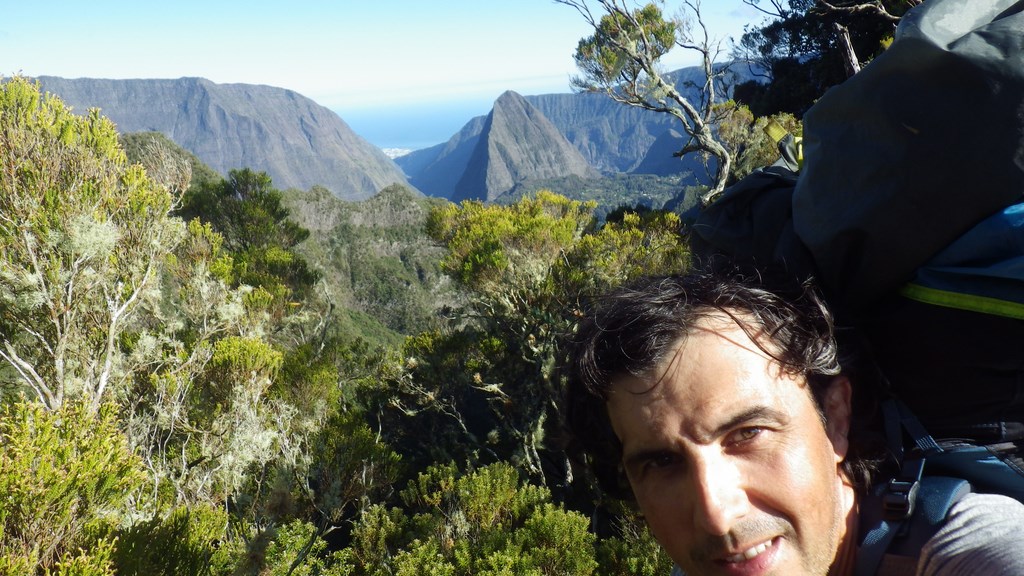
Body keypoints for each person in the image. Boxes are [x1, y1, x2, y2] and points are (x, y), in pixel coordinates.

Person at [564, 272, 1024, 576]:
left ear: (835, 419)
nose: (716, 516)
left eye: (748, 434)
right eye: (663, 462)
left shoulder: (973, 551)